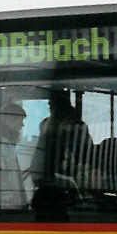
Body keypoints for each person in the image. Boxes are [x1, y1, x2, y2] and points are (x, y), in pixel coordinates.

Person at [30, 90, 92, 218]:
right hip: (54, 192)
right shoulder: (47, 126)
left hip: (58, 194)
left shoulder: (76, 127)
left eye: (52, 104)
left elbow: (86, 159)